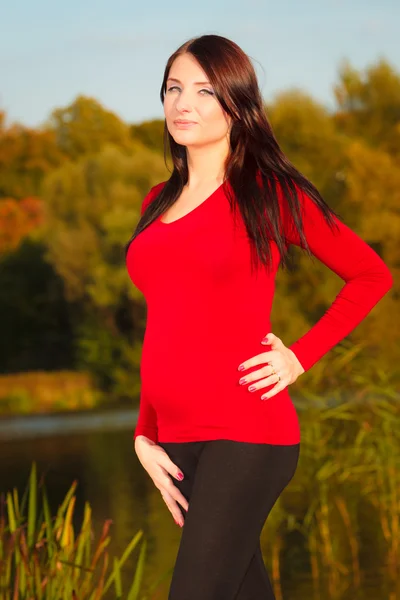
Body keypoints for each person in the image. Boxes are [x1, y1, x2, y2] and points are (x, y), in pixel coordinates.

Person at [125, 34, 393, 600]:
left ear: (235, 103)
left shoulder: (268, 193)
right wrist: (145, 433)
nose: (183, 103)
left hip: (246, 433)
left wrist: (298, 357)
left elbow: (371, 276)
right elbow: (164, 323)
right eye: (174, 88)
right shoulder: (155, 201)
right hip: (174, 440)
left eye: (203, 90)